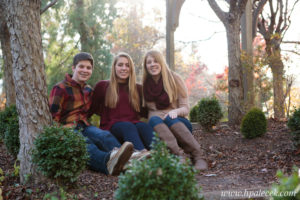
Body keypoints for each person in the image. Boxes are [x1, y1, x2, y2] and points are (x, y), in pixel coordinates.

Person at [49, 52, 134, 176]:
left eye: (88, 68)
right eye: (81, 67)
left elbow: (99, 110)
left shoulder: (89, 90)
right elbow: (53, 117)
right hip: (66, 129)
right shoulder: (60, 88)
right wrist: (59, 135)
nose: (85, 70)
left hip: (84, 126)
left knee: (104, 135)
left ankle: (129, 161)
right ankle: (107, 163)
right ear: (74, 68)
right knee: (86, 144)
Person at [142, 50, 208, 171]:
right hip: (158, 126)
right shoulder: (144, 85)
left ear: (161, 62)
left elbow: (185, 108)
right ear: (145, 66)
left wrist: (175, 112)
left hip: (178, 123)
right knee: (154, 119)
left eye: (156, 61)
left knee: (169, 118)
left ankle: (198, 156)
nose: (152, 64)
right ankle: (179, 156)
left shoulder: (175, 79)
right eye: (149, 62)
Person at [90, 52, 154, 153]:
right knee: (127, 126)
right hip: (111, 128)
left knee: (143, 126)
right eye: (120, 65)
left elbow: (147, 112)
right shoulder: (103, 86)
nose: (124, 68)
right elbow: (91, 109)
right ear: (114, 67)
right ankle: (142, 155)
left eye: (127, 65)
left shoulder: (138, 89)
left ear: (131, 69)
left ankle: (161, 155)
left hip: (134, 128)